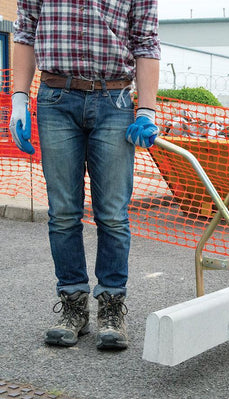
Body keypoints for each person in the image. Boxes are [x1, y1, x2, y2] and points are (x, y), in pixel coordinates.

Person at [9, 0, 160, 350]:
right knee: (63, 212)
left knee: (113, 214)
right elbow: (25, 30)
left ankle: (111, 306)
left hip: (115, 101)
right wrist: (18, 99)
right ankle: (73, 305)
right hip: (56, 99)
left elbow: (146, 41)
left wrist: (147, 110)